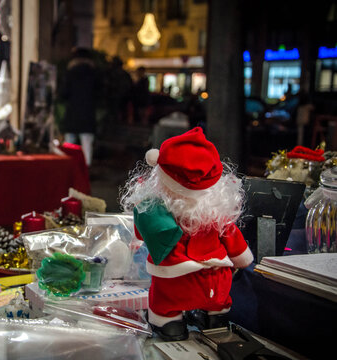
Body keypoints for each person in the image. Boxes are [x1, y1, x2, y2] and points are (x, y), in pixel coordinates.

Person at [120, 127, 253, 341]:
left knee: (166, 305)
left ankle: (169, 324)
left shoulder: (154, 209)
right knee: (217, 302)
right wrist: (242, 258)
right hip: (215, 278)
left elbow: (143, 234)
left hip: (174, 279)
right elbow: (235, 242)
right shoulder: (217, 212)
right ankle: (215, 319)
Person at [61, 48, 98, 166]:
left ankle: (67, 167)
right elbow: (99, 92)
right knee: (86, 142)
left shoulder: (71, 72)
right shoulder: (93, 73)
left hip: (73, 111)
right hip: (87, 111)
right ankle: (85, 170)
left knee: (69, 142)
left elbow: (64, 93)